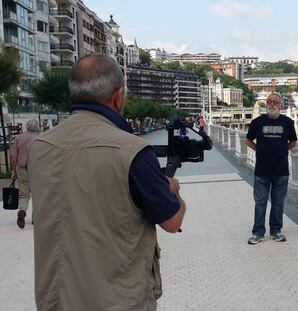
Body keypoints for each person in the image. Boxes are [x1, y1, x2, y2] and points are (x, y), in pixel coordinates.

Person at [27, 55, 186, 311]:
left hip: (54, 299)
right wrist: (173, 189)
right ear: (118, 96)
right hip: (118, 300)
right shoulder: (132, 151)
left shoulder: (40, 146)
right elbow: (172, 221)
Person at [245, 93, 297, 245]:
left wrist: (283, 150)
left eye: (275, 102)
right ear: (265, 104)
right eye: (269, 101)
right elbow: (248, 140)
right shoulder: (258, 122)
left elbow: (293, 141)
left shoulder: (287, 122)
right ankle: (258, 232)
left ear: (280, 105)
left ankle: (276, 231)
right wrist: (259, 150)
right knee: (260, 202)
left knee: (278, 202)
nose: (272, 104)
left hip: (281, 169)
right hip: (262, 169)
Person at [10, 119, 39, 229]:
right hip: (36, 169)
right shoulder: (39, 138)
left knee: (23, 193)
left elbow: (13, 156)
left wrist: (13, 170)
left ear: (27, 127)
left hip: (22, 168)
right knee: (37, 194)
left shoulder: (18, 138)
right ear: (37, 128)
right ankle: (35, 218)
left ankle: (22, 210)